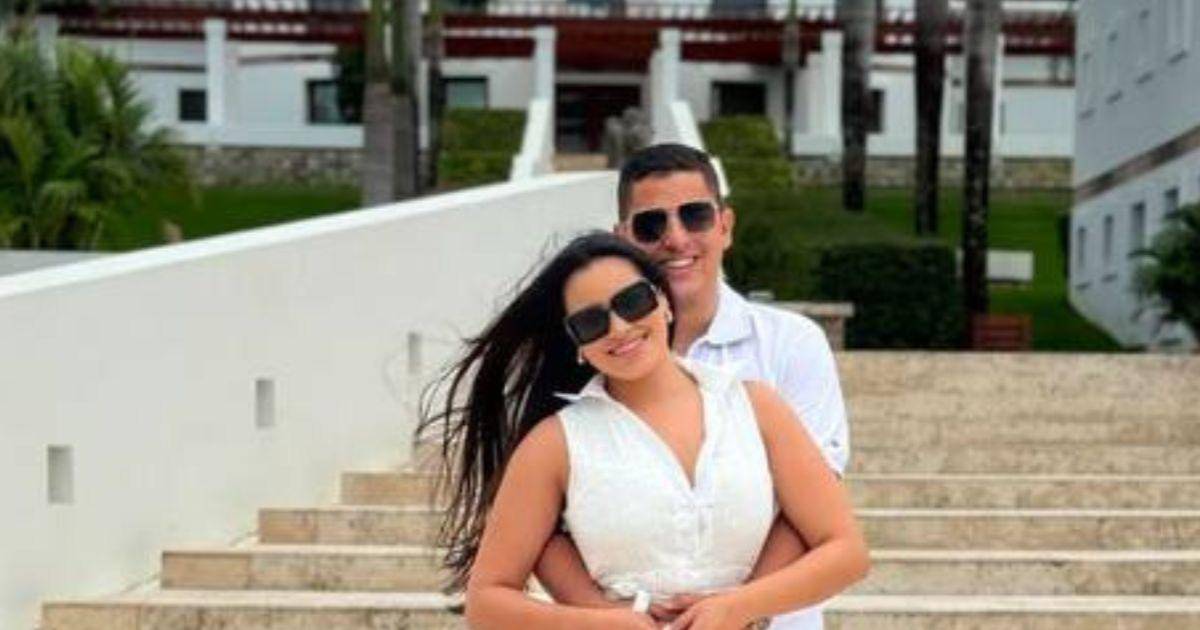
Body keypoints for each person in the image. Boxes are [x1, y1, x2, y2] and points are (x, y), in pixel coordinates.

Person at [419, 232, 868, 630]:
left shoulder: (755, 407)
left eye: (632, 301)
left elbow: (846, 551)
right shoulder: (554, 444)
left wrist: (740, 607)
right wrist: (596, 624)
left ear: (664, 302)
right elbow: (487, 601)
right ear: (577, 344)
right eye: (591, 322)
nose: (619, 327)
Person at [533, 143, 851, 627]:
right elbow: (539, 527)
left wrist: (739, 612)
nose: (676, 238)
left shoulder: (792, 345)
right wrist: (612, 616)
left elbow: (813, 506)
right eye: (651, 225)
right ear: (623, 238)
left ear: (725, 225)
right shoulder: (588, 347)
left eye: (695, 216)